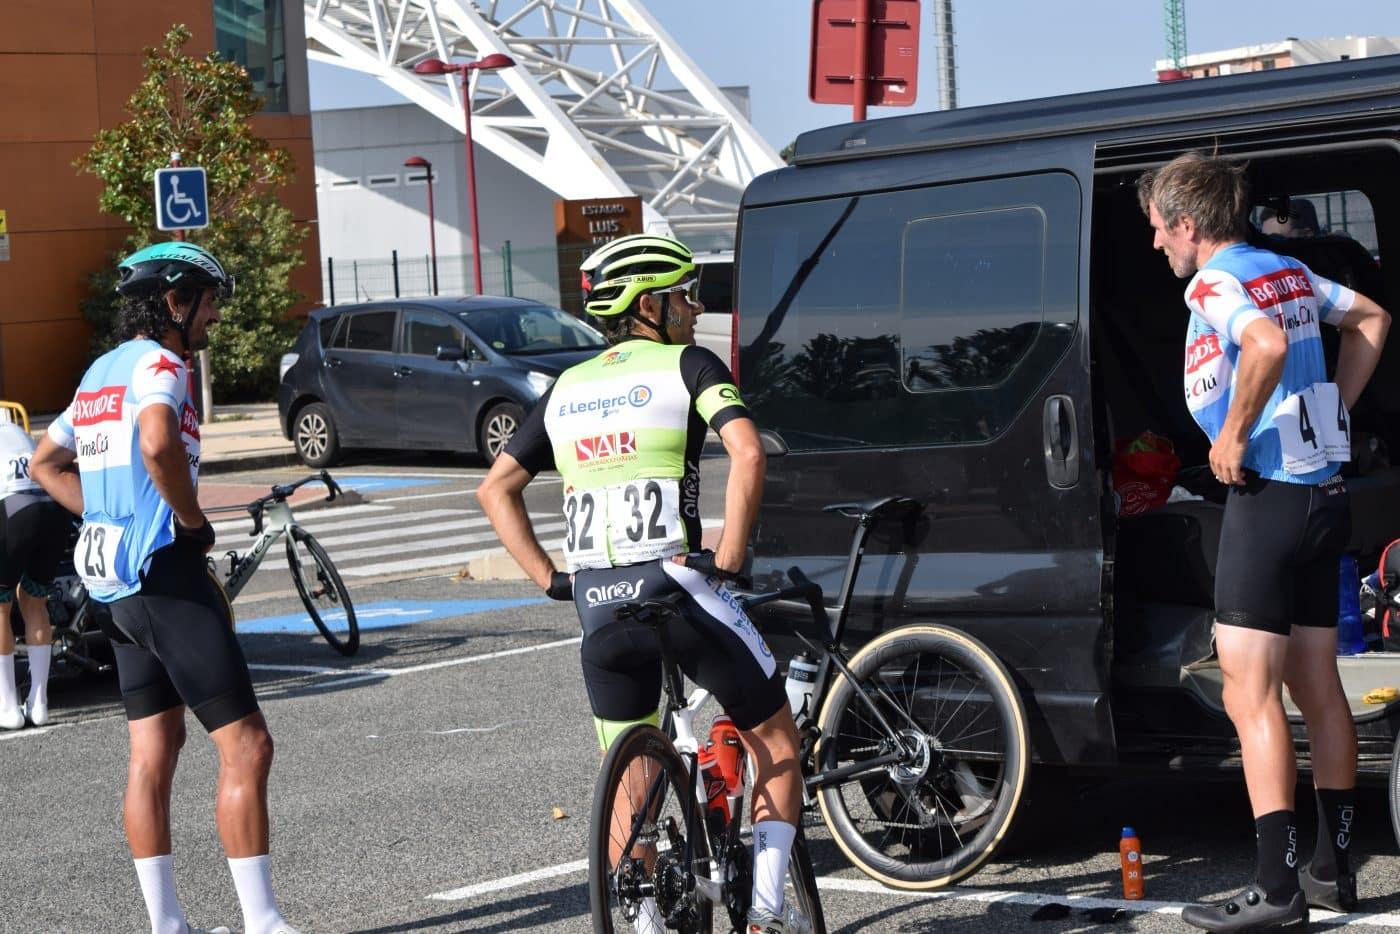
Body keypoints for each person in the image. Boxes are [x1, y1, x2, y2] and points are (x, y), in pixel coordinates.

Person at [477, 233, 802, 934]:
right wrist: (732, 555)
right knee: (774, 737)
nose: (697, 305)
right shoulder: (688, 365)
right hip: (678, 586)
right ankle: (769, 913)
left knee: (631, 774)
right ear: (651, 304)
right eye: (686, 293)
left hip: (598, 603)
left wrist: (550, 579)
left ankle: (648, 918)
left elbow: (496, 488)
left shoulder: (566, 388)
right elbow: (746, 452)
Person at [1138, 152, 1390, 931]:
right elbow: (1374, 319)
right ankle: (1331, 872)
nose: (1155, 246)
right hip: (1325, 495)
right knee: (1318, 685)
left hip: (1267, 498)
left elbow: (1267, 348)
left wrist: (1236, 436)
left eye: (1157, 230)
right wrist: (1335, 410)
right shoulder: (1287, 269)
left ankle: (1275, 892)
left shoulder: (1213, 281)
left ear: (1187, 224)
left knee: (1251, 696)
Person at [30, 242, 300, 934]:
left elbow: (44, 461)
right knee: (247, 745)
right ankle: (263, 923)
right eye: (208, 302)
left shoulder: (98, 372)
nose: (214, 317)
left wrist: (103, 512)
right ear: (175, 303)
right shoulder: (163, 364)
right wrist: (191, 520)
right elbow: (156, 443)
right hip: (163, 573)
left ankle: (167, 925)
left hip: (112, 582)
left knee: (154, 751)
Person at [0, 418, 71, 729]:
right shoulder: (16, 430)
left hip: (16, 509)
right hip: (54, 509)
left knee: (1, 607)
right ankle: (39, 703)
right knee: (34, 602)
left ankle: (7, 708)